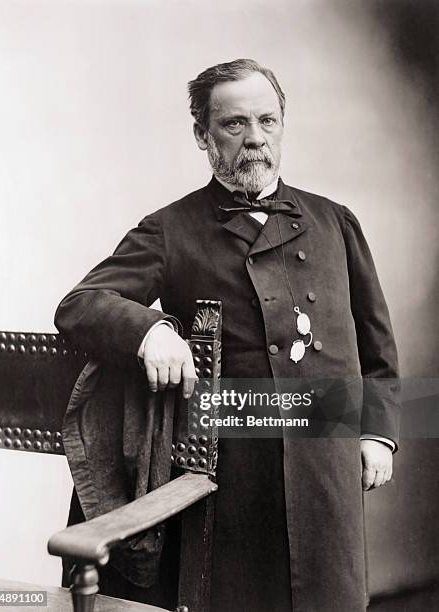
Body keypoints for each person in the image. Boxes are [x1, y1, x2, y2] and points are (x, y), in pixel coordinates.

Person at [55, 59, 400, 612]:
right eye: (234, 124)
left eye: (267, 121)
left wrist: (378, 434)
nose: (255, 139)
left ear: (282, 125)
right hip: (232, 471)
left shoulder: (336, 222)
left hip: (325, 464)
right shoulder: (170, 229)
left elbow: (378, 350)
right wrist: (151, 330)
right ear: (202, 135)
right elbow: (80, 304)